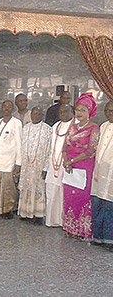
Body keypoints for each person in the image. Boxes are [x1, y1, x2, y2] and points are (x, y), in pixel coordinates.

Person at [62, 92, 99, 240]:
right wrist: (66, 161)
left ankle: (81, 230)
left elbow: (91, 150)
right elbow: (65, 146)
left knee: (81, 197)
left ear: (90, 112)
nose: (79, 113)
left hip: (84, 166)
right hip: (69, 166)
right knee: (69, 196)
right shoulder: (72, 126)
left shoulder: (94, 128)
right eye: (78, 110)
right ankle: (69, 227)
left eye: (83, 110)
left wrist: (72, 161)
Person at [17, 107, 52, 224]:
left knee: (39, 189)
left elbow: (49, 150)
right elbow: (21, 146)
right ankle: (25, 212)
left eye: (38, 114)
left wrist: (46, 168)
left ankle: (38, 215)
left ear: (42, 115)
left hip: (39, 165)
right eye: (34, 114)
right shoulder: (25, 128)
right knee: (26, 188)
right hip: (26, 165)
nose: (35, 116)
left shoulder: (47, 129)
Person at [0, 100, 22, 219]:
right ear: (2, 108)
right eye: (5, 106)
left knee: (8, 188)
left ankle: (8, 210)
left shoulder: (16, 123)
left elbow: (19, 144)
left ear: (12, 109)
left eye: (9, 106)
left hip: (10, 161)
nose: (6, 108)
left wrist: (18, 163)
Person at [45, 104, 74, 227]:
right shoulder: (55, 126)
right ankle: (51, 220)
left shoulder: (75, 126)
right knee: (51, 192)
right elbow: (50, 148)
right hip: (53, 164)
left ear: (72, 112)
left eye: (65, 111)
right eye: (61, 112)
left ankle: (64, 222)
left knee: (64, 193)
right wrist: (45, 167)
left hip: (68, 165)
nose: (62, 114)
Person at [91, 101, 113, 251]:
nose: (109, 113)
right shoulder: (103, 126)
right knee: (98, 204)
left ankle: (110, 240)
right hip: (99, 174)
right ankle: (98, 238)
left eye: (112, 110)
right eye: (107, 110)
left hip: (111, 176)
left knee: (110, 208)